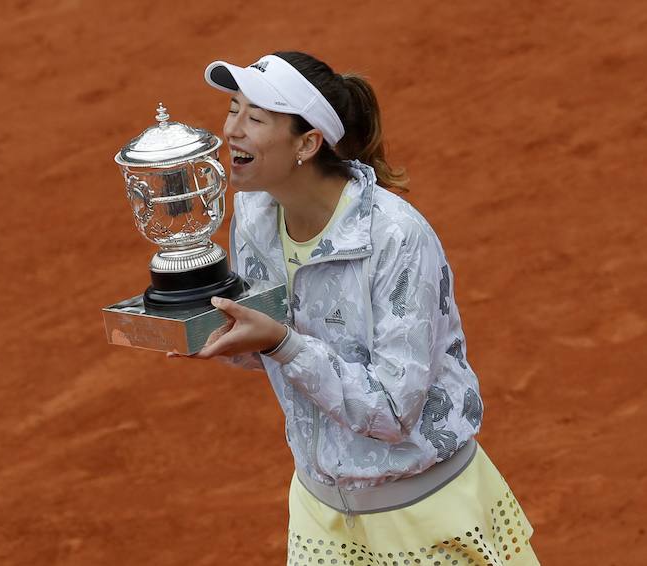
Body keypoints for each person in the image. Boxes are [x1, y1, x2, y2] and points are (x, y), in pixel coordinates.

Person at [174, 51, 540, 565]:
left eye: (255, 118)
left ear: (307, 143)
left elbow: (392, 410)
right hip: (321, 517)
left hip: (425, 516)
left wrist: (281, 342)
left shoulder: (396, 237)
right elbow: (269, 344)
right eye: (232, 109)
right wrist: (208, 328)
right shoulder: (255, 211)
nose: (231, 129)